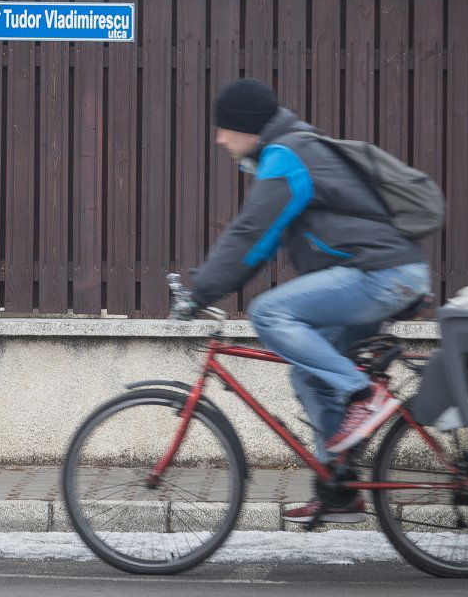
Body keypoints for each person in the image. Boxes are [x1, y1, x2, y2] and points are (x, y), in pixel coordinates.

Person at [181, 78, 431, 524]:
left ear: (248, 127)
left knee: (268, 312)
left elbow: (253, 234)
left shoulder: (287, 155)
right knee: (311, 375)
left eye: (225, 128)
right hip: (384, 274)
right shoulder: (289, 151)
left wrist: (201, 291)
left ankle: (363, 394)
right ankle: (339, 490)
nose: (219, 139)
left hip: (382, 275)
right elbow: (264, 240)